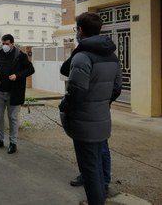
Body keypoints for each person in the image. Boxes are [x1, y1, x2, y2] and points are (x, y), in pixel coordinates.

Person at [59, 12, 122, 205]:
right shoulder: (112, 56)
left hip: (84, 123)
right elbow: (117, 88)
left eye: (76, 29)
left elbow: (75, 92)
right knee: (100, 156)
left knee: (89, 170)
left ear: (80, 30)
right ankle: (103, 190)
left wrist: (65, 108)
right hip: (102, 119)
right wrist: (102, 103)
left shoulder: (83, 56)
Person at [61, 48, 113, 194]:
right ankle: (89, 177)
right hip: (94, 110)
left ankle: (103, 182)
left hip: (93, 110)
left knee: (100, 147)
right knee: (91, 149)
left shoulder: (107, 55)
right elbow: (65, 69)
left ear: (81, 31)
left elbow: (75, 91)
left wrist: (65, 105)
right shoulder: (82, 55)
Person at [0, 34, 35, 154]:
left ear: (13, 44)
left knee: (13, 117)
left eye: (7, 44)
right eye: (3, 44)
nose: (5, 46)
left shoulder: (20, 55)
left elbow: (30, 69)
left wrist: (17, 76)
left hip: (14, 92)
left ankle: (13, 142)